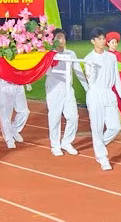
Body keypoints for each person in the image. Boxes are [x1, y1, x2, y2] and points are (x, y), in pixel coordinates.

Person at [83, 28, 121, 170]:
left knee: (115, 127)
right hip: (95, 94)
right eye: (99, 39)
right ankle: (102, 158)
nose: (103, 41)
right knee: (97, 128)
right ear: (93, 41)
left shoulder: (111, 57)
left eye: (103, 38)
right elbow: (91, 81)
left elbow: (116, 79)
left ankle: (99, 146)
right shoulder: (88, 59)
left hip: (109, 94)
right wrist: (92, 70)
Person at [46, 28, 80, 156]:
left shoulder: (71, 54)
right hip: (54, 89)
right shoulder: (49, 54)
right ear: (53, 40)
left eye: (63, 37)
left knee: (73, 117)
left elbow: (78, 70)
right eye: (58, 37)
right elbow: (45, 72)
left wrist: (87, 87)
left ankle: (66, 142)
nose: (61, 40)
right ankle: (55, 145)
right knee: (55, 117)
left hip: (68, 89)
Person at [0, 73, 30, 149]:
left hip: (18, 84)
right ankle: (9, 139)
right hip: (5, 85)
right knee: (5, 115)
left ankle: (15, 129)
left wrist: (27, 80)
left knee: (24, 111)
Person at [105, 32, 121, 126]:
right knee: (112, 97)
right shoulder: (106, 55)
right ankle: (113, 117)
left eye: (116, 42)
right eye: (112, 42)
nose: (114, 44)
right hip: (111, 78)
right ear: (108, 43)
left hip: (120, 77)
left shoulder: (119, 54)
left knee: (120, 97)